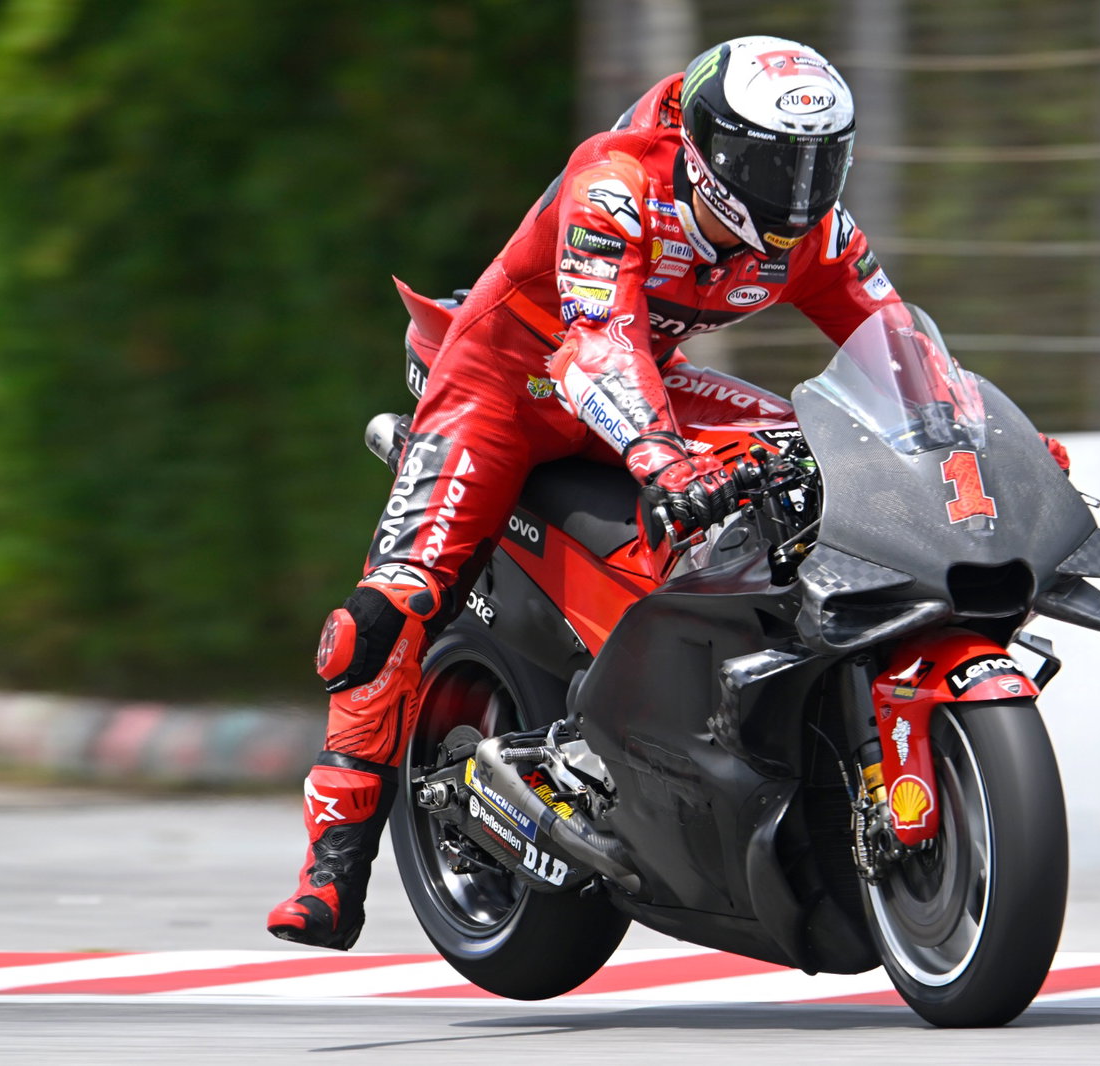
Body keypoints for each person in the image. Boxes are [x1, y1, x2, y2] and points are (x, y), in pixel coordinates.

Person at [266, 35, 910, 950]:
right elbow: (595, 344)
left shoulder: (816, 230)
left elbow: (892, 340)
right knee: (388, 610)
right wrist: (664, 460)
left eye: (818, 164)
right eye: (774, 163)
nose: (797, 192)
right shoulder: (615, 180)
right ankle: (331, 866)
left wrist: (963, 427)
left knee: (808, 456)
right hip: (508, 383)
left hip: (648, 377)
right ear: (711, 146)